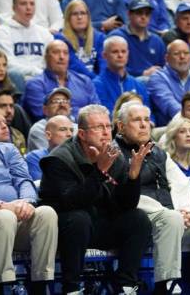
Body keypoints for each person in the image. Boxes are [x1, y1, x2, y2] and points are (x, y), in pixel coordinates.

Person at [113, 102, 190, 295]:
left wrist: (187, 211)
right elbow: (124, 196)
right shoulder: (114, 153)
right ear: (121, 126)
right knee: (171, 219)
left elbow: (181, 185)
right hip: (140, 224)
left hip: (172, 219)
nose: (144, 125)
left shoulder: (158, 153)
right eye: (137, 120)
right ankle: (167, 284)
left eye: (146, 119)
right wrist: (172, 213)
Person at [39, 104, 152, 295]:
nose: (106, 132)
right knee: (78, 219)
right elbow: (70, 202)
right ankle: (72, 288)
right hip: (65, 229)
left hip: (98, 225)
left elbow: (126, 205)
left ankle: (125, 285)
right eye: (99, 127)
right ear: (82, 134)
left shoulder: (114, 156)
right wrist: (99, 172)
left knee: (138, 219)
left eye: (108, 126)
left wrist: (133, 177)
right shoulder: (59, 159)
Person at [0, 131, 58, 295]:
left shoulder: (7, 149)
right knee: (4, 217)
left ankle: (40, 286)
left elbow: (24, 179)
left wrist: (27, 201)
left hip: (15, 220)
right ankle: (2, 286)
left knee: (46, 213)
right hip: (0, 217)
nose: (4, 126)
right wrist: (0, 205)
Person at [22, 40, 100, 122]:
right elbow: (43, 115)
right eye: (56, 52)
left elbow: (97, 110)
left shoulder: (84, 81)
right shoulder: (35, 84)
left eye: (65, 53)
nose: (61, 57)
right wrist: (82, 115)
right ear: (46, 57)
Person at [0, 0, 53, 80]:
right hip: (18, 81)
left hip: (42, 79)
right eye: (23, 4)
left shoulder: (44, 33)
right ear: (13, 8)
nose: (28, 7)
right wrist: (34, 71)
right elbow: (8, 63)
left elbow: (51, 60)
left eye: (32, 4)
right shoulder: (2, 32)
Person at [109, 0, 167, 79]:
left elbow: (163, 67)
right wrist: (143, 73)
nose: (143, 17)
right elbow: (112, 67)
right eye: (139, 13)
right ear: (129, 14)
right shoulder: (116, 37)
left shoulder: (157, 40)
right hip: (125, 82)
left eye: (147, 14)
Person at [92, 35, 149, 113]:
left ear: (128, 53)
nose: (120, 55)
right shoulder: (97, 85)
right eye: (115, 52)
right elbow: (106, 115)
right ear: (104, 55)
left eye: (123, 51)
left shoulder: (138, 84)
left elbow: (150, 114)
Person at [56, 0, 106, 80]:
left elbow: (104, 63)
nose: (79, 17)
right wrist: (96, 81)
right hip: (74, 82)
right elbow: (74, 66)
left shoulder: (99, 38)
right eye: (75, 14)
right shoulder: (61, 39)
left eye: (83, 13)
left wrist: (102, 82)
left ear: (88, 17)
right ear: (68, 18)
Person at [26, 86, 75, 152]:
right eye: (55, 101)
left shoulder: (77, 127)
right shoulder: (39, 129)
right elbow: (49, 156)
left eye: (65, 101)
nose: (62, 104)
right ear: (45, 109)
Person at [25, 114, 74, 180]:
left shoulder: (78, 157)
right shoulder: (35, 157)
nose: (69, 134)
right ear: (48, 135)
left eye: (71, 130)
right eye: (63, 129)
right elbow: (40, 187)